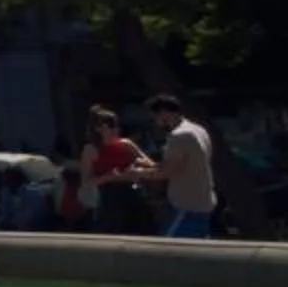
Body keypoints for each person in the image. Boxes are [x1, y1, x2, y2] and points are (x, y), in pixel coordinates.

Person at [100, 93, 216, 237]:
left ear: (164, 113)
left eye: (155, 118)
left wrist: (136, 173)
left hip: (186, 207)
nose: (155, 123)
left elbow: (165, 173)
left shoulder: (179, 136)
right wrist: (148, 166)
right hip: (203, 203)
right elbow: (181, 166)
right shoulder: (198, 130)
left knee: (168, 250)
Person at [75, 106, 149, 234]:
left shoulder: (126, 144)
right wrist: (108, 177)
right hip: (109, 198)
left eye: (116, 126)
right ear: (98, 129)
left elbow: (148, 164)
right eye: (111, 126)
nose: (116, 130)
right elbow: (86, 181)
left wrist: (137, 169)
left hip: (132, 192)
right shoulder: (90, 150)